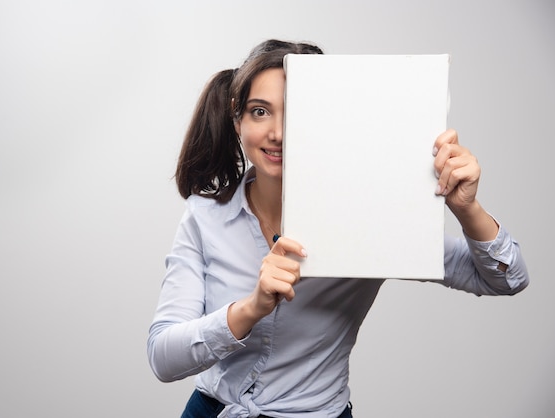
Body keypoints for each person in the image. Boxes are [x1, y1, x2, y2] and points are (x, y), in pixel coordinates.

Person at [146, 39, 529, 418]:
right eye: (260, 111)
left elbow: (506, 279)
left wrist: (466, 208)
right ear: (237, 120)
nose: (277, 132)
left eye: (296, 113)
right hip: (210, 411)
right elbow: (163, 357)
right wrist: (250, 309)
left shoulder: (372, 219)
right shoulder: (204, 216)